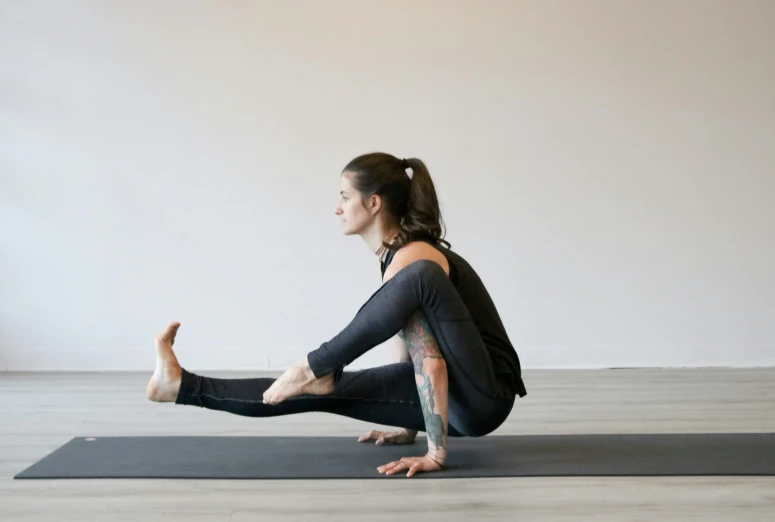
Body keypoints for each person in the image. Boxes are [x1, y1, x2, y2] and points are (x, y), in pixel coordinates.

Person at [147, 152, 527, 478]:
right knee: (317, 391)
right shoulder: (400, 263)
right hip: (461, 399)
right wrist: (407, 424)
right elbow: (412, 353)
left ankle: (318, 365)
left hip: (485, 395)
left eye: (346, 197)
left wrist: (435, 454)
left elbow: (433, 365)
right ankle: (182, 386)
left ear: (374, 203)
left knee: (416, 283)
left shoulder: (415, 260)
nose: (337, 207)